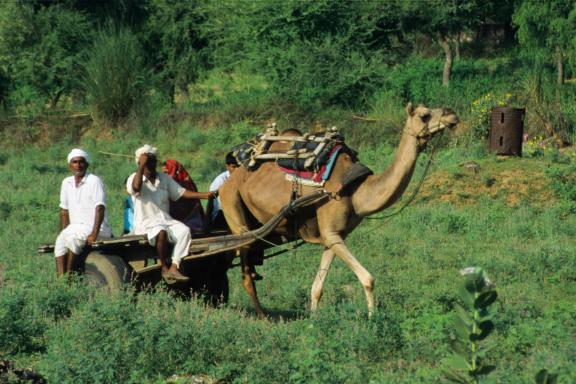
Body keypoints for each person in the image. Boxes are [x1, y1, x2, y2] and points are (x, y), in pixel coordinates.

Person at [127, 145, 216, 284]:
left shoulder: (164, 178)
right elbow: (135, 188)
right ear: (139, 163)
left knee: (184, 231)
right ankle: (164, 268)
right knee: (160, 231)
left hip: (165, 220)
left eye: (153, 161)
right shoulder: (134, 178)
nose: (151, 164)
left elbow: (181, 193)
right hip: (146, 223)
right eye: (147, 161)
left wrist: (204, 195)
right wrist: (141, 166)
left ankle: (174, 266)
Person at [54, 149, 113, 276]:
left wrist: (94, 233)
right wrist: (64, 232)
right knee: (60, 243)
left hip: (95, 227)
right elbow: (64, 211)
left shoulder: (94, 180)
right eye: (74, 162)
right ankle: (60, 280)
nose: (78, 165)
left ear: (87, 165)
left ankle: (68, 277)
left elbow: (100, 208)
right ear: (70, 165)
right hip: (76, 227)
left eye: (81, 162)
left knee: (74, 241)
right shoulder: (66, 182)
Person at [162, 159, 205, 233]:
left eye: (166, 172)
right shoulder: (165, 184)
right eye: (163, 173)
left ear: (174, 170)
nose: (165, 175)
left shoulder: (186, 183)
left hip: (191, 219)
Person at [206, 152, 239, 229]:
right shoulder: (220, 181)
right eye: (234, 167)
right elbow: (216, 205)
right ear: (227, 166)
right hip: (222, 215)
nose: (237, 170)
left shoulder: (242, 177)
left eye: (239, 167)